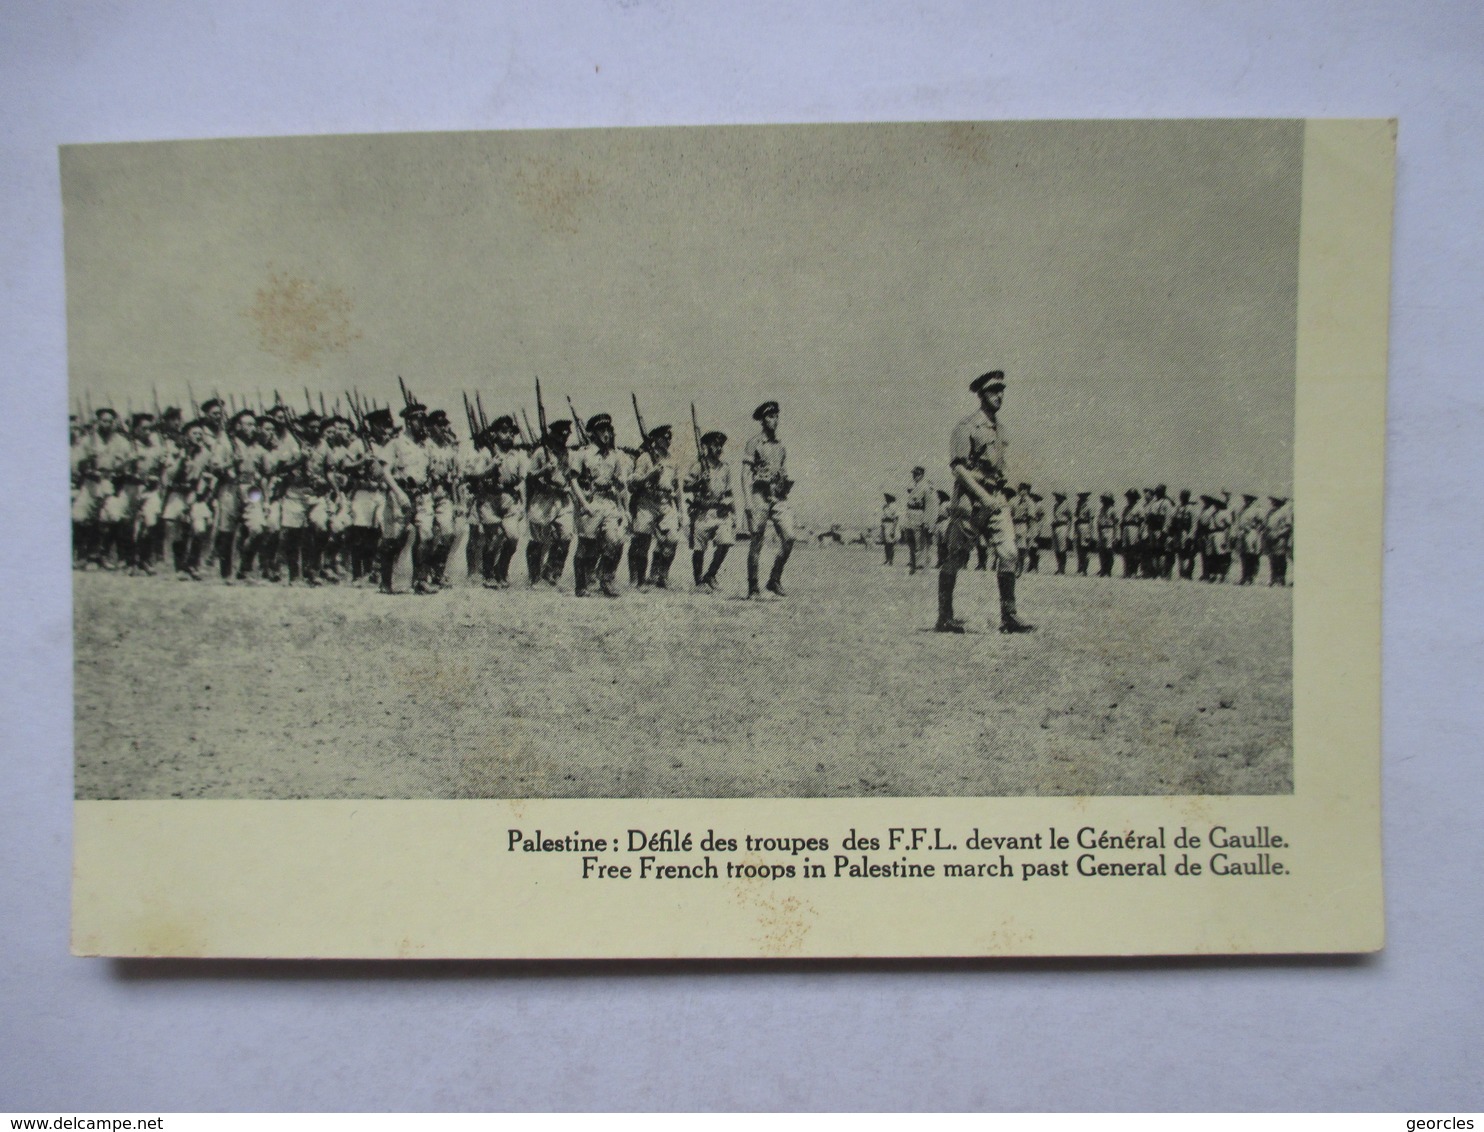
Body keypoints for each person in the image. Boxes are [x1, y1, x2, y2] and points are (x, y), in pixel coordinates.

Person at [935, 370, 1033, 634]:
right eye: (993, 391)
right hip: (972, 500)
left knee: (1010, 553)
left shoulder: (1000, 429)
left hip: (996, 499)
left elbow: (1003, 467)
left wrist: (1003, 495)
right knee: (956, 556)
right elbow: (958, 468)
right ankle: (944, 617)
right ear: (980, 395)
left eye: (1002, 390)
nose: (999, 395)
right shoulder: (966, 427)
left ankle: (1009, 616)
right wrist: (983, 497)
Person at [570, 413, 631, 597]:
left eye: (608, 430)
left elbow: (620, 485)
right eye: (601, 430)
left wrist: (624, 509)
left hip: (609, 503)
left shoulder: (614, 456)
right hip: (591, 501)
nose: (606, 434)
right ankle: (581, 585)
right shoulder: (583, 454)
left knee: (616, 541)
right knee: (586, 546)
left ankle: (606, 579)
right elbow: (572, 481)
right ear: (593, 433)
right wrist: (583, 504)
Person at [741, 401, 796, 598]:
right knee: (757, 540)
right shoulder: (754, 443)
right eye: (770, 417)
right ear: (762, 421)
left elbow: (782, 469)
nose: (775, 420)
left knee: (789, 537)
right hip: (759, 495)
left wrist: (784, 482)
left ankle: (774, 579)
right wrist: (747, 501)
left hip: (777, 496)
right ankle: (753, 587)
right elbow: (746, 473)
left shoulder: (780, 445)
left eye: (776, 416)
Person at [628, 424, 682, 589]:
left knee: (672, 538)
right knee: (643, 541)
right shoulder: (645, 458)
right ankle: (641, 580)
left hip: (666, 502)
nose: (668, 440)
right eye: (664, 437)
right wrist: (649, 475)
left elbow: (677, 487)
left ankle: (662, 575)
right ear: (655, 439)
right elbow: (633, 481)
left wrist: (680, 511)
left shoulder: (672, 460)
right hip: (647, 502)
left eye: (669, 437)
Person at [525, 418, 577, 587]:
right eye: (561, 435)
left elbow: (570, 475)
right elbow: (530, 477)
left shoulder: (567, 453)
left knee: (566, 535)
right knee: (538, 539)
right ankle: (534, 578)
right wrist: (544, 470)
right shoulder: (541, 452)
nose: (565, 438)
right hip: (543, 498)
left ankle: (552, 572)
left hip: (562, 498)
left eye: (566, 435)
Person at [684, 429, 735, 592]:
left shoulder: (725, 468)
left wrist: (731, 508)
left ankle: (711, 574)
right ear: (706, 446)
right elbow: (685, 486)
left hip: (720, 512)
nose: (719, 448)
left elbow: (729, 492)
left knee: (725, 542)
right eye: (715, 445)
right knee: (699, 549)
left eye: (721, 445)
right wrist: (699, 482)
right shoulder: (698, 466)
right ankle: (698, 581)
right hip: (702, 512)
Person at [903, 466, 936, 575]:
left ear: (922, 475)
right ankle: (913, 566)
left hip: (919, 517)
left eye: (916, 474)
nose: (914, 476)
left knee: (919, 544)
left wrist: (927, 521)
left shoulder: (925, 487)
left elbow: (929, 506)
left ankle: (919, 567)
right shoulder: (914, 487)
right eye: (913, 474)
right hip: (910, 518)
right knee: (911, 542)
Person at [1264, 495, 1292, 586]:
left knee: (1280, 558)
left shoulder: (1284, 512)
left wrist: (1278, 534)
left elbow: (1288, 527)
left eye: (1274, 500)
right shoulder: (1270, 512)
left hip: (1280, 538)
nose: (1272, 502)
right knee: (1272, 558)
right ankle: (1273, 577)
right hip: (1270, 536)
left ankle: (1280, 579)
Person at [1120, 488, 1145, 578]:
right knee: (1126, 551)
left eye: (1131, 497)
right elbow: (1122, 522)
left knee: (1134, 551)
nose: (1129, 499)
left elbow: (1142, 522)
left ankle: (1134, 571)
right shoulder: (1126, 508)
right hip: (1126, 529)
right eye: (1128, 497)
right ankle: (1127, 571)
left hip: (1134, 529)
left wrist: (1140, 533)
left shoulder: (1139, 508)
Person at [1095, 491, 1119, 577]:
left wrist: (1115, 536)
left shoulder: (1112, 510)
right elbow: (1098, 522)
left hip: (1109, 529)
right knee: (1101, 551)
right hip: (1102, 530)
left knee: (1109, 551)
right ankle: (1103, 569)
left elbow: (1116, 523)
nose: (1104, 501)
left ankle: (1108, 570)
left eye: (1106, 499)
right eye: (1103, 499)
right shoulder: (1101, 509)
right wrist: (1098, 533)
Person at [1073, 490, 1096, 576]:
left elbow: (1091, 521)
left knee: (1085, 550)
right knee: (1079, 550)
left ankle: (1084, 570)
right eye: (1080, 496)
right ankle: (1079, 568)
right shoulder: (1078, 505)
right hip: (1079, 526)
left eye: (1083, 496)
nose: (1081, 498)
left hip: (1086, 527)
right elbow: (1076, 517)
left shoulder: (1089, 506)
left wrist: (1090, 533)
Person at [1049, 491, 1072, 575]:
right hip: (1056, 527)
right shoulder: (1055, 505)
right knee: (1056, 549)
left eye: (1058, 496)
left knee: (1062, 549)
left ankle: (1062, 568)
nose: (1056, 498)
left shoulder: (1066, 505)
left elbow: (1070, 518)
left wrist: (1069, 531)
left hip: (1063, 527)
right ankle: (1058, 567)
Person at [880, 493, 900, 566]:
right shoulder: (885, 507)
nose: (885, 499)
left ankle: (891, 560)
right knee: (886, 544)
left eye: (887, 498)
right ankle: (887, 559)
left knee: (890, 544)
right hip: (885, 525)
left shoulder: (893, 506)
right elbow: (882, 517)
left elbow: (896, 518)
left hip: (891, 525)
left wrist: (893, 529)